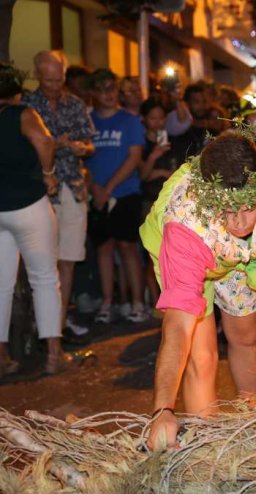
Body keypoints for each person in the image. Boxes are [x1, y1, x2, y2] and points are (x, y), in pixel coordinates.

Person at [141, 131, 256, 450]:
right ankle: (205, 447)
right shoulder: (185, 225)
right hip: (192, 254)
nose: (240, 222)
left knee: (245, 336)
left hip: (238, 258)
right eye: (228, 210)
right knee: (202, 355)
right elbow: (177, 331)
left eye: (249, 207)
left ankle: (252, 424)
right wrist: (163, 409)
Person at [0, 63, 71, 376]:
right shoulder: (22, 114)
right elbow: (44, 142)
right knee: (44, 278)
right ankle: (54, 354)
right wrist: (48, 175)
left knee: (0, 285)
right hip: (29, 204)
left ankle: (2, 358)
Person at [22, 51, 95, 341]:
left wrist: (80, 148)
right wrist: (53, 145)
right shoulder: (26, 105)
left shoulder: (75, 104)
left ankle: (59, 325)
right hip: (40, 191)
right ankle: (43, 328)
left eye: (59, 79)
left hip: (73, 188)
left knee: (68, 258)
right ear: (38, 76)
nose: (54, 85)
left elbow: (91, 145)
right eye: (49, 79)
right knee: (43, 262)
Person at [84, 69, 147, 324]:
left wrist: (107, 188)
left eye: (111, 88)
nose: (107, 94)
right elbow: (83, 158)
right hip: (96, 194)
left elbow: (134, 158)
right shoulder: (88, 121)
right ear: (93, 94)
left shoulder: (129, 121)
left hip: (125, 192)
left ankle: (137, 302)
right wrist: (94, 188)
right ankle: (108, 302)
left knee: (127, 247)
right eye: (101, 89)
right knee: (104, 248)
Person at [139, 98, 178, 308]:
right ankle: (155, 301)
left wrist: (160, 172)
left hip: (171, 203)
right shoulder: (141, 144)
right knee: (152, 253)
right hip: (149, 203)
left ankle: (170, 299)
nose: (157, 122)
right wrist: (154, 158)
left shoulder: (173, 142)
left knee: (171, 254)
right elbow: (143, 175)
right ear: (144, 119)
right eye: (153, 117)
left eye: (161, 117)